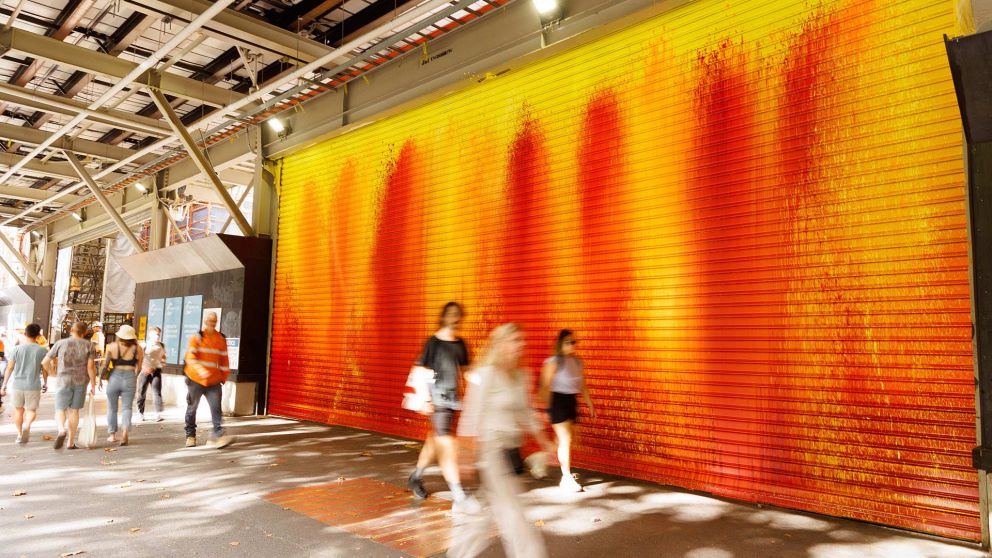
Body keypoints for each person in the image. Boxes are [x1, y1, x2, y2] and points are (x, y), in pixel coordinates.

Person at [449, 323, 554, 558]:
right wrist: (465, 456)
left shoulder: (521, 375)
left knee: (490, 511)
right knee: (512, 511)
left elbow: (526, 413)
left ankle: (459, 552)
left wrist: (545, 442)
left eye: (521, 341)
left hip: (509, 449)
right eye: (515, 340)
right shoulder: (485, 374)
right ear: (501, 344)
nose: (521, 345)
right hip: (490, 451)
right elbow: (471, 414)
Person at [408, 302, 474, 512]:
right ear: (444, 317)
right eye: (451, 314)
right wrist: (425, 398)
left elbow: (467, 370)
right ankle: (458, 495)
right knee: (447, 445)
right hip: (437, 399)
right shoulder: (433, 342)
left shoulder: (460, 343)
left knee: (434, 442)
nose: (455, 318)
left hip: (453, 401)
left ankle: (415, 477)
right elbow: (420, 368)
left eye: (458, 315)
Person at [539, 329, 596, 492]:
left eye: (574, 342)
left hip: (571, 401)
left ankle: (542, 459)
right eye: (568, 342)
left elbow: (582, 384)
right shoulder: (553, 362)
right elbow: (544, 386)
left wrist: (589, 403)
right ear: (560, 344)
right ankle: (566, 477)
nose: (572, 345)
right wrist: (547, 409)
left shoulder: (578, 362)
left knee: (568, 440)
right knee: (566, 440)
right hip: (557, 401)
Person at [42, 321, 97, 450]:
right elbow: (91, 367)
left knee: (60, 409)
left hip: (63, 380)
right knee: (74, 411)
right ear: (84, 333)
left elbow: (44, 361)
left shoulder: (60, 343)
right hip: (81, 382)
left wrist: (52, 373)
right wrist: (93, 384)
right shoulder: (89, 346)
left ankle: (61, 430)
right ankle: (71, 442)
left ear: (71, 330)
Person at [184, 312, 233, 448]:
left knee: (216, 409)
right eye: (210, 320)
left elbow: (224, 360)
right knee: (192, 408)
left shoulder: (220, 339)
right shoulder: (197, 338)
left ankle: (217, 435)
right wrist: (200, 369)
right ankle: (190, 435)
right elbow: (190, 357)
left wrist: (223, 377)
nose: (212, 323)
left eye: (214, 321)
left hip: (213, 380)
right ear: (205, 321)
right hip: (195, 379)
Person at [1, 324, 48, 443]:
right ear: (38, 335)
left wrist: (4, 385)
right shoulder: (42, 350)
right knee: (31, 411)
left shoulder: (16, 349)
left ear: (25, 334)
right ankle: (27, 424)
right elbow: (45, 369)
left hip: (17, 385)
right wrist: (45, 383)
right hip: (33, 385)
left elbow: (10, 368)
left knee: (18, 410)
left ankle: (19, 435)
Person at [100, 325, 143, 446]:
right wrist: (134, 377)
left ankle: (112, 435)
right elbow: (139, 367)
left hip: (114, 377)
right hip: (129, 377)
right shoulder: (138, 348)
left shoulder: (112, 346)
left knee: (112, 408)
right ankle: (125, 433)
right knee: (127, 408)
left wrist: (99, 379)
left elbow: (105, 365)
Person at [138, 326, 165, 422]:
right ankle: (140, 413)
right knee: (142, 392)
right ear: (150, 335)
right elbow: (139, 358)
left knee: (157, 392)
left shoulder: (161, 345)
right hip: (145, 371)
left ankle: (157, 414)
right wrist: (144, 367)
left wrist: (161, 362)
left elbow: (163, 357)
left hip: (156, 370)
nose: (157, 336)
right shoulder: (144, 345)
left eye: (158, 334)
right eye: (155, 334)